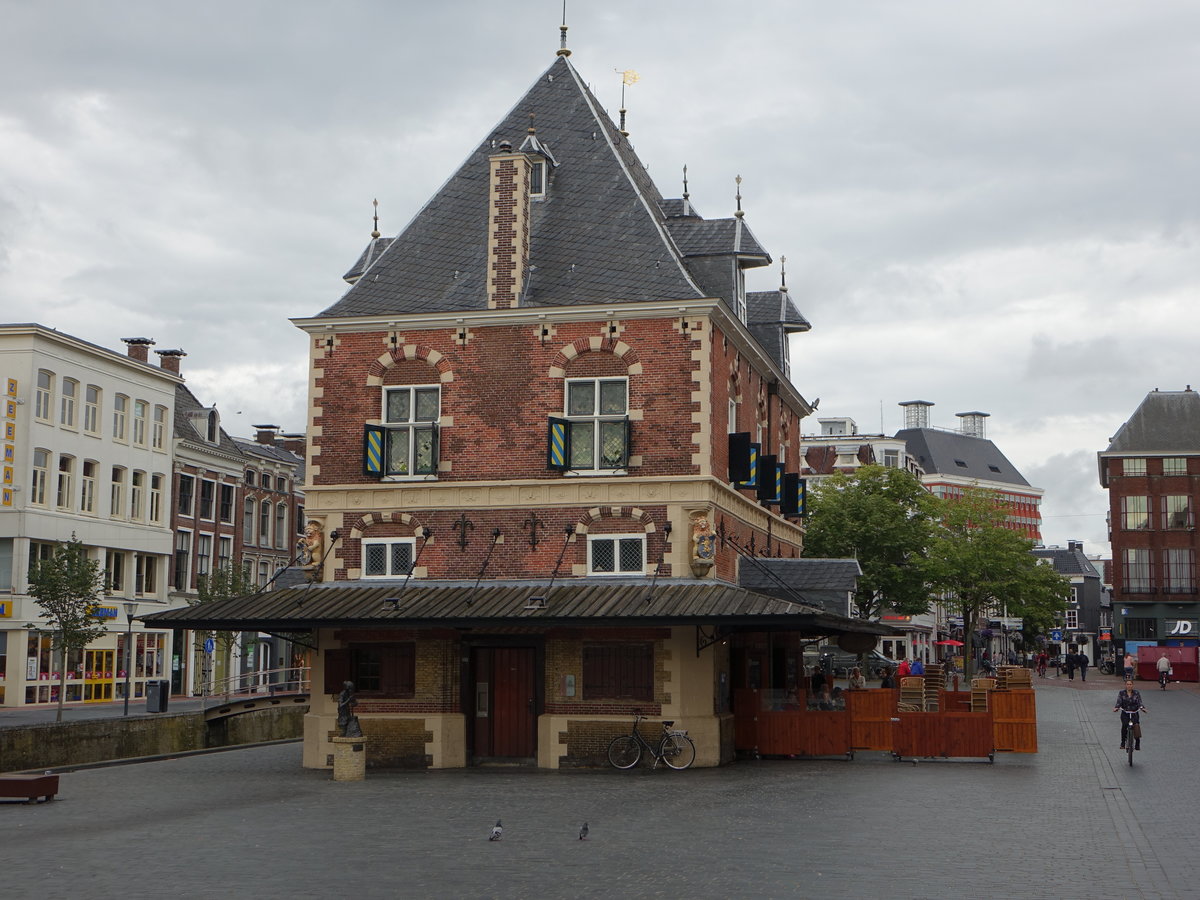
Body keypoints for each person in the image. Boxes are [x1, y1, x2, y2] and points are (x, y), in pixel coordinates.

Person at [1113, 679, 1146, 750]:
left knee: (1136, 726)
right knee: (1124, 725)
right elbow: (1119, 701)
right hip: (1125, 713)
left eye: (1130, 684)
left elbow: (1139, 702)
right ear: (1125, 685)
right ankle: (1123, 743)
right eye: (1127, 684)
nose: (1129, 686)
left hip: (1134, 712)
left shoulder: (1136, 693)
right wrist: (1117, 708)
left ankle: (1137, 743)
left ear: (1132, 685)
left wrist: (1142, 708)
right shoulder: (1122, 693)